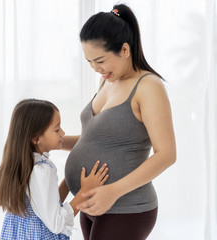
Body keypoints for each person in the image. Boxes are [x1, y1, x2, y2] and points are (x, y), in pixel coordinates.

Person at [63, 4, 176, 240]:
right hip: (92, 204)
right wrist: (55, 141)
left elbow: (166, 154)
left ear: (124, 49)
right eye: (90, 62)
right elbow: (95, 139)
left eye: (101, 60)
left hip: (127, 207)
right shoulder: (108, 80)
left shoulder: (148, 87)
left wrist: (112, 191)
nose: (96, 69)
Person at [0, 99, 109, 240]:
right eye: (57, 129)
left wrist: (68, 182)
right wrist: (85, 192)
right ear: (36, 138)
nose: (62, 132)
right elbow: (56, 223)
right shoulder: (41, 171)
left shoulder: (23, 164)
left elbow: (45, 205)